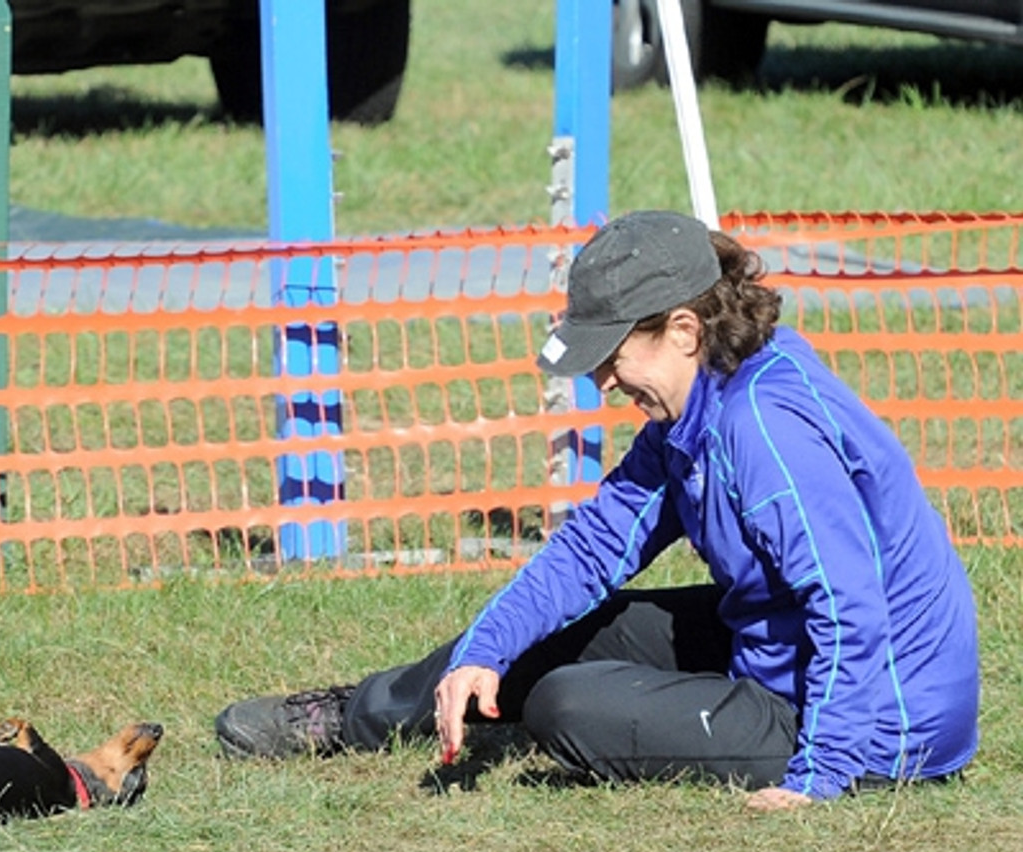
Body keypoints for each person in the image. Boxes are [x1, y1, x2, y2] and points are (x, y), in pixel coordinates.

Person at [214, 209, 980, 811]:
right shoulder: (694, 406)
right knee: (559, 632)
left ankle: (810, 752)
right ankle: (358, 716)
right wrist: (482, 651)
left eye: (612, 357)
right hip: (779, 640)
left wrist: (823, 776)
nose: (605, 384)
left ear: (684, 330)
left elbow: (852, 610)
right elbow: (588, 552)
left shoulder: (763, 429)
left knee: (566, 704)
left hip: (878, 725)